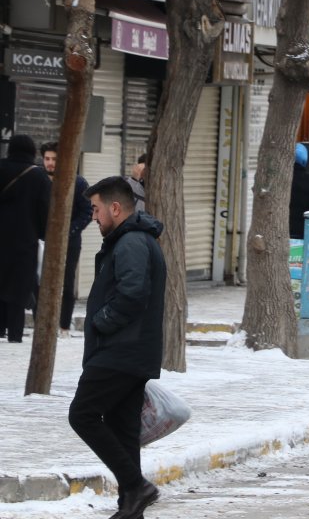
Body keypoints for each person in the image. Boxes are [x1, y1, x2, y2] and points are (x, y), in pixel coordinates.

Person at [68, 175, 165, 519]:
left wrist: (101, 322)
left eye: (95, 209)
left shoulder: (131, 243)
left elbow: (132, 294)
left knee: (82, 414)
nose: (93, 217)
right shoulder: (131, 240)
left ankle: (135, 486)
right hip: (130, 351)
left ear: (115, 207)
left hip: (121, 351)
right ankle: (131, 508)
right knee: (123, 430)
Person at [0, 136, 51, 342]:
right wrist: (41, 233)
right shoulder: (38, 177)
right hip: (24, 243)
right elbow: (44, 212)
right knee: (18, 290)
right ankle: (15, 334)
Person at [40, 141, 94, 336]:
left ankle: (63, 326)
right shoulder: (38, 178)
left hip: (69, 241)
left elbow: (87, 211)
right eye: (47, 159)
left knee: (67, 281)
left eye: (54, 159)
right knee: (39, 281)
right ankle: (43, 324)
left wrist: (69, 231)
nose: (50, 163)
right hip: (41, 239)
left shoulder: (78, 182)